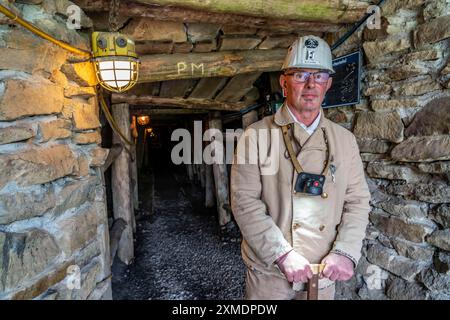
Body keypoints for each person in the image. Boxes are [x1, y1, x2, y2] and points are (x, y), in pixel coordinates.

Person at [230, 35, 371, 300]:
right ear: (284, 83)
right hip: (270, 274)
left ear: (328, 84)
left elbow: (358, 202)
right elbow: (244, 202)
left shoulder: (345, 140)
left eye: (318, 76)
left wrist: (345, 251)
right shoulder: (255, 135)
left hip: (324, 270)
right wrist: (281, 253)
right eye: (300, 75)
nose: (310, 85)